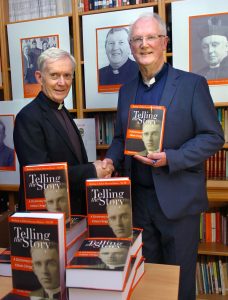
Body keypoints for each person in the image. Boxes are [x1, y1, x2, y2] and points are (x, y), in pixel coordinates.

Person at [103, 13, 224, 300]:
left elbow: (214, 137)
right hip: (139, 203)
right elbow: (120, 138)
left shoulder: (192, 85)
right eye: (137, 39)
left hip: (178, 202)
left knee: (179, 283)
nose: (143, 45)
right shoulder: (126, 90)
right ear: (132, 47)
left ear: (164, 42)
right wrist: (110, 160)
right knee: (147, 281)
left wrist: (173, 157)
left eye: (151, 38)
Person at [14, 47, 114, 215]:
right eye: (54, 75)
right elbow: (41, 178)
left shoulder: (61, 109)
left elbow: (69, 162)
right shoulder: (28, 117)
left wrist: (96, 167)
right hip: (47, 219)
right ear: (39, 77)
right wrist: (91, 171)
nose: (62, 82)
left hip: (71, 213)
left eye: (67, 75)